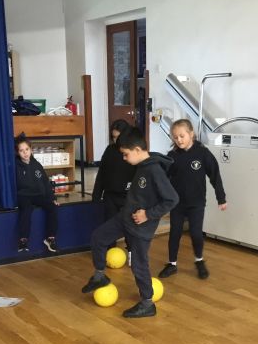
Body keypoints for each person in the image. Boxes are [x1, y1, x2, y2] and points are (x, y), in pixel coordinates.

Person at [82, 126, 179, 318]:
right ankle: (99, 276)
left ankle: (147, 303)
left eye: (126, 154)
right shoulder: (141, 165)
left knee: (138, 266)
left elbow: (172, 199)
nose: (124, 158)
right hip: (124, 218)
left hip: (141, 228)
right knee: (98, 237)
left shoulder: (155, 171)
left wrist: (148, 214)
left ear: (137, 150)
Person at [158, 118, 227, 280]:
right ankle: (172, 264)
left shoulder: (202, 153)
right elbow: (163, 178)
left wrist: (221, 198)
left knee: (196, 233)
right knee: (175, 233)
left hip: (196, 203)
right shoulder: (172, 156)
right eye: (175, 137)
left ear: (191, 134)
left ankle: (199, 260)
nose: (179, 140)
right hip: (177, 203)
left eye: (182, 136)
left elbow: (215, 176)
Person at [92, 119, 136, 260]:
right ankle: (110, 253)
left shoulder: (133, 151)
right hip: (110, 196)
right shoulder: (109, 150)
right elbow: (102, 173)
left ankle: (132, 253)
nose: (116, 140)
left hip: (127, 197)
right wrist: (96, 194)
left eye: (119, 137)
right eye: (114, 137)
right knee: (110, 226)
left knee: (129, 227)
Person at [15, 134, 58, 253]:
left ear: (31, 150)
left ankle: (50, 238)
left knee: (52, 207)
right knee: (26, 210)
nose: (25, 153)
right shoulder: (15, 166)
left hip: (38, 195)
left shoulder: (37, 165)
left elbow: (45, 182)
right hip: (24, 196)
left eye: (27, 149)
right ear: (18, 152)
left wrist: (52, 198)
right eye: (21, 150)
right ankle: (23, 240)